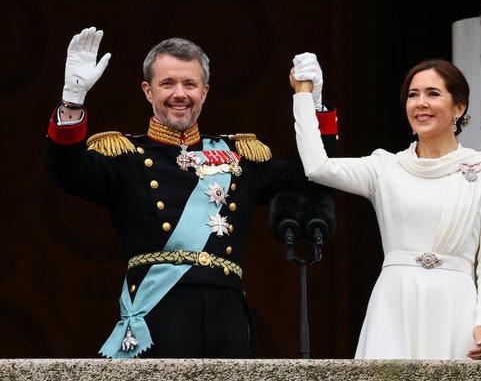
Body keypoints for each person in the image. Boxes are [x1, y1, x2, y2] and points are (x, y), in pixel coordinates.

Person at [44, 27, 337, 359]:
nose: (179, 93)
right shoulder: (125, 158)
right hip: (156, 318)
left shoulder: (240, 157)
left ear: (205, 91)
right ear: (147, 91)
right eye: (167, 84)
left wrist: (314, 107)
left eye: (190, 84)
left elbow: (314, 178)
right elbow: (66, 171)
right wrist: (72, 101)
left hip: (226, 319)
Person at [289, 55, 481, 360]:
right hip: (394, 305)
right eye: (413, 95)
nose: (421, 103)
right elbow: (317, 167)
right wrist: (305, 97)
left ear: (459, 107)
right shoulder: (385, 168)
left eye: (433, 94)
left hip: (456, 308)